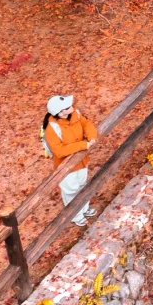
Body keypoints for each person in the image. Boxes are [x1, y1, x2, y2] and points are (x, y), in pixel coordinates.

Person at [42, 94, 99, 227]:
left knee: (82, 185)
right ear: (60, 113)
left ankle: (84, 208)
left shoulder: (76, 114)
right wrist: (83, 145)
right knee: (71, 191)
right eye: (68, 107)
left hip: (82, 161)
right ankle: (75, 215)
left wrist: (91, 136)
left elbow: (86, 123)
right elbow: (59, 151)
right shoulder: (52, 129)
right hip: (66, 168)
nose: (72, 107)